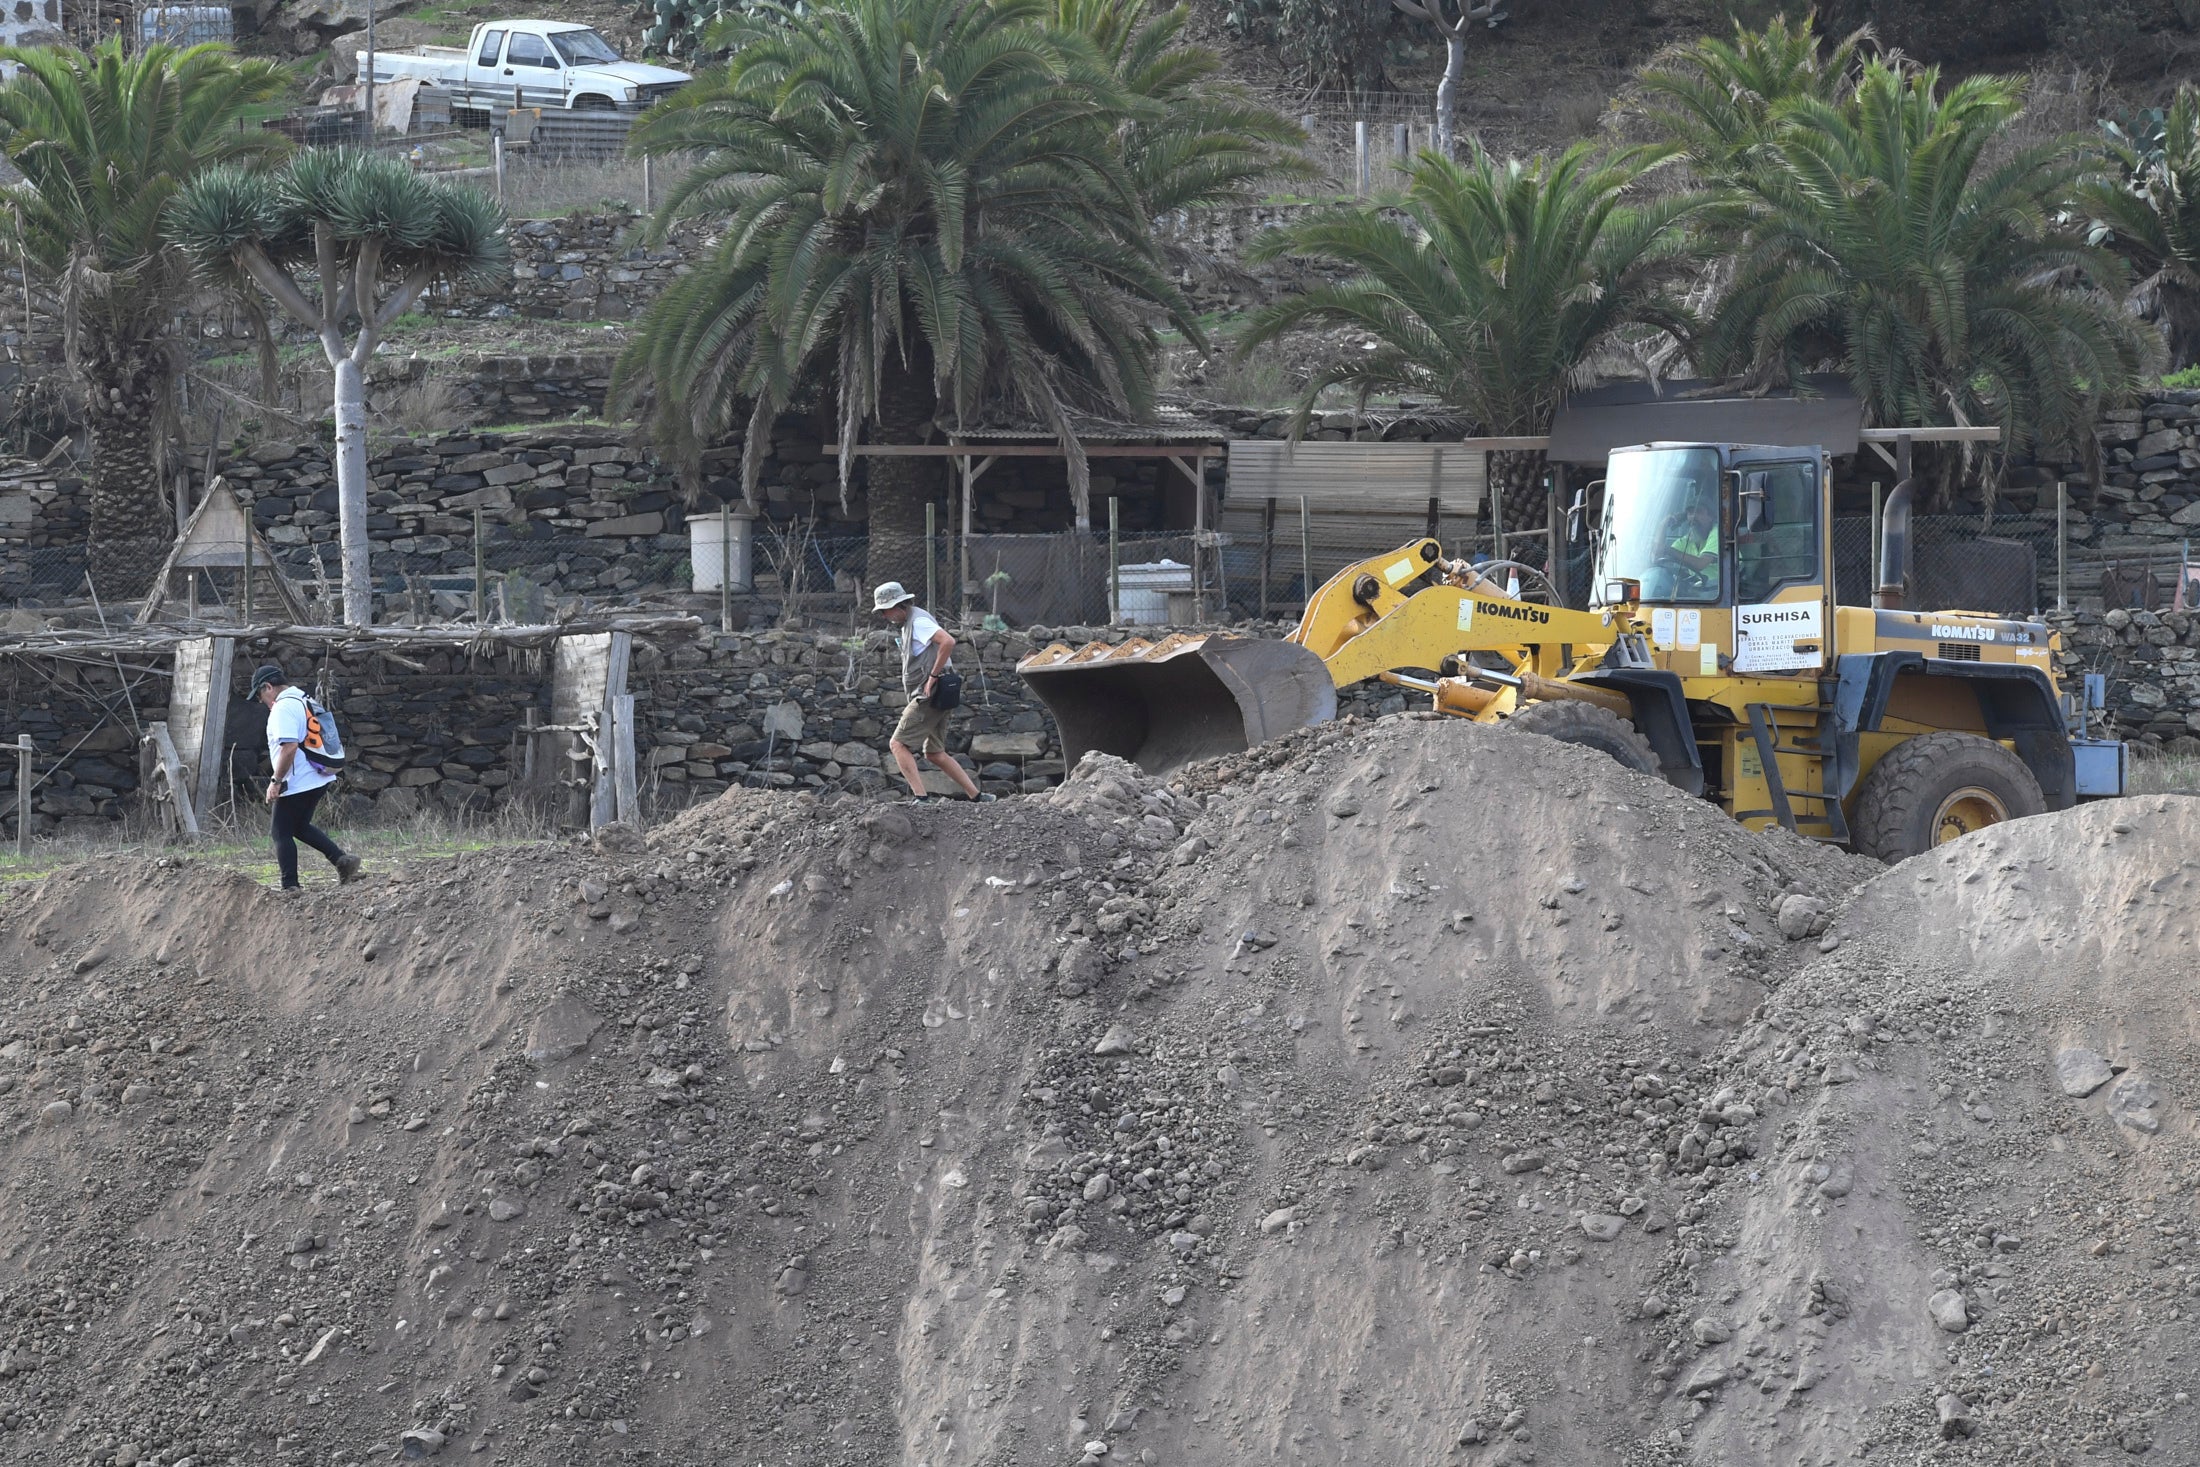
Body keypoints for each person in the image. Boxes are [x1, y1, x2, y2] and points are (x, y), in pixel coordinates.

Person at [872, 582, 989, 803]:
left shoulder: (919, 622)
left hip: (929, 694)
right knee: (935, 753)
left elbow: (948, 641)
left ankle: (921, 799)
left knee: (897, 744)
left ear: (898, 605)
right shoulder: (911, 621)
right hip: (940, 693)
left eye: (885, 610)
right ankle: (978, 796)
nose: (885, 616)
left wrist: (933, 676)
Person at [251, 664, 361, 891]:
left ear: (268, 687)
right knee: (299, 826)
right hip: (319, 776)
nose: (263, 701)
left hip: (297, 780)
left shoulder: (283, 708)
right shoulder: (303, 698)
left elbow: (289, 747)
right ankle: (342, 861)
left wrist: (276, 781)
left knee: (280, 832)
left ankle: (290, 887)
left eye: (261, 695)